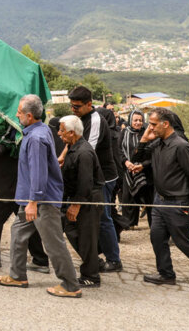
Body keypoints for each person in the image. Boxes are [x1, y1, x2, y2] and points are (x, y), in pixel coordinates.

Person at [0, 94, 81, 298]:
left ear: (30, 115)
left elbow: (39, 173)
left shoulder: (36, 138)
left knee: (53, 243)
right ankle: (17, 276)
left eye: (19, 112)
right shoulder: (40, 130)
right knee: (17, 233)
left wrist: (33, 202)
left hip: (41, 200)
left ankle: (70, 285)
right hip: (32, 200)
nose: (16, 115)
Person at [133, 107, 189, 292]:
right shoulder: (157, 144)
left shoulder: (181, 146)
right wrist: (144, 140)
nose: (150, 128)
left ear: (166, 124)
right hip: (159, 201)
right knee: (157, 238)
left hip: (179, 203)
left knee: (183, 242)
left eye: (154, 124)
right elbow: (137, 158)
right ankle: (166, 274)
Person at [0, 136, 50, 273]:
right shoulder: (22, 133)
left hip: (9, 188)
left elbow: (1, 147)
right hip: (16, 186)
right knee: (27, 223)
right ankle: (40, 259)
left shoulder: (12, 135)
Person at [65, 86, 122, 273]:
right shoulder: (80, 117)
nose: (73, 110)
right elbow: (73, 140)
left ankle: (114, 259)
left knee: (103, 217)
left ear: (89, 104)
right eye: (71, 106)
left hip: (103, 177)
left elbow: (87, 149)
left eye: (77, 106)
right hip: (91, 175)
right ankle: (94, 255)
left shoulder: (96, 120)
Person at [58, 115, 104, 288]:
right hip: (78, 197)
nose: (58, 133)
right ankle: (93, 261)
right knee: (72, 230)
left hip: (87, 199)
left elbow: (85, 183)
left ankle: (91, 276)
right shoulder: (73, 146)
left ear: (71, 133)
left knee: (86, 237)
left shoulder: (84, 152)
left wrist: (76, 205)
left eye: (62, 130)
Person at [119, 110, 153, 227]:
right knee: (127, 197)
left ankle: (153, 224)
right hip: (128, 170)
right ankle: (129, 222)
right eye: (135, 120)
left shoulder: (147, 133)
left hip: (144, 170)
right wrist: (126, 162)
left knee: (147, 196)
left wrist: (141, 165)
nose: (138, 123)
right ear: (130, 121)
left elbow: (150, 152)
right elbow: (119, 150)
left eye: (140, 120)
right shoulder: (124, 132)